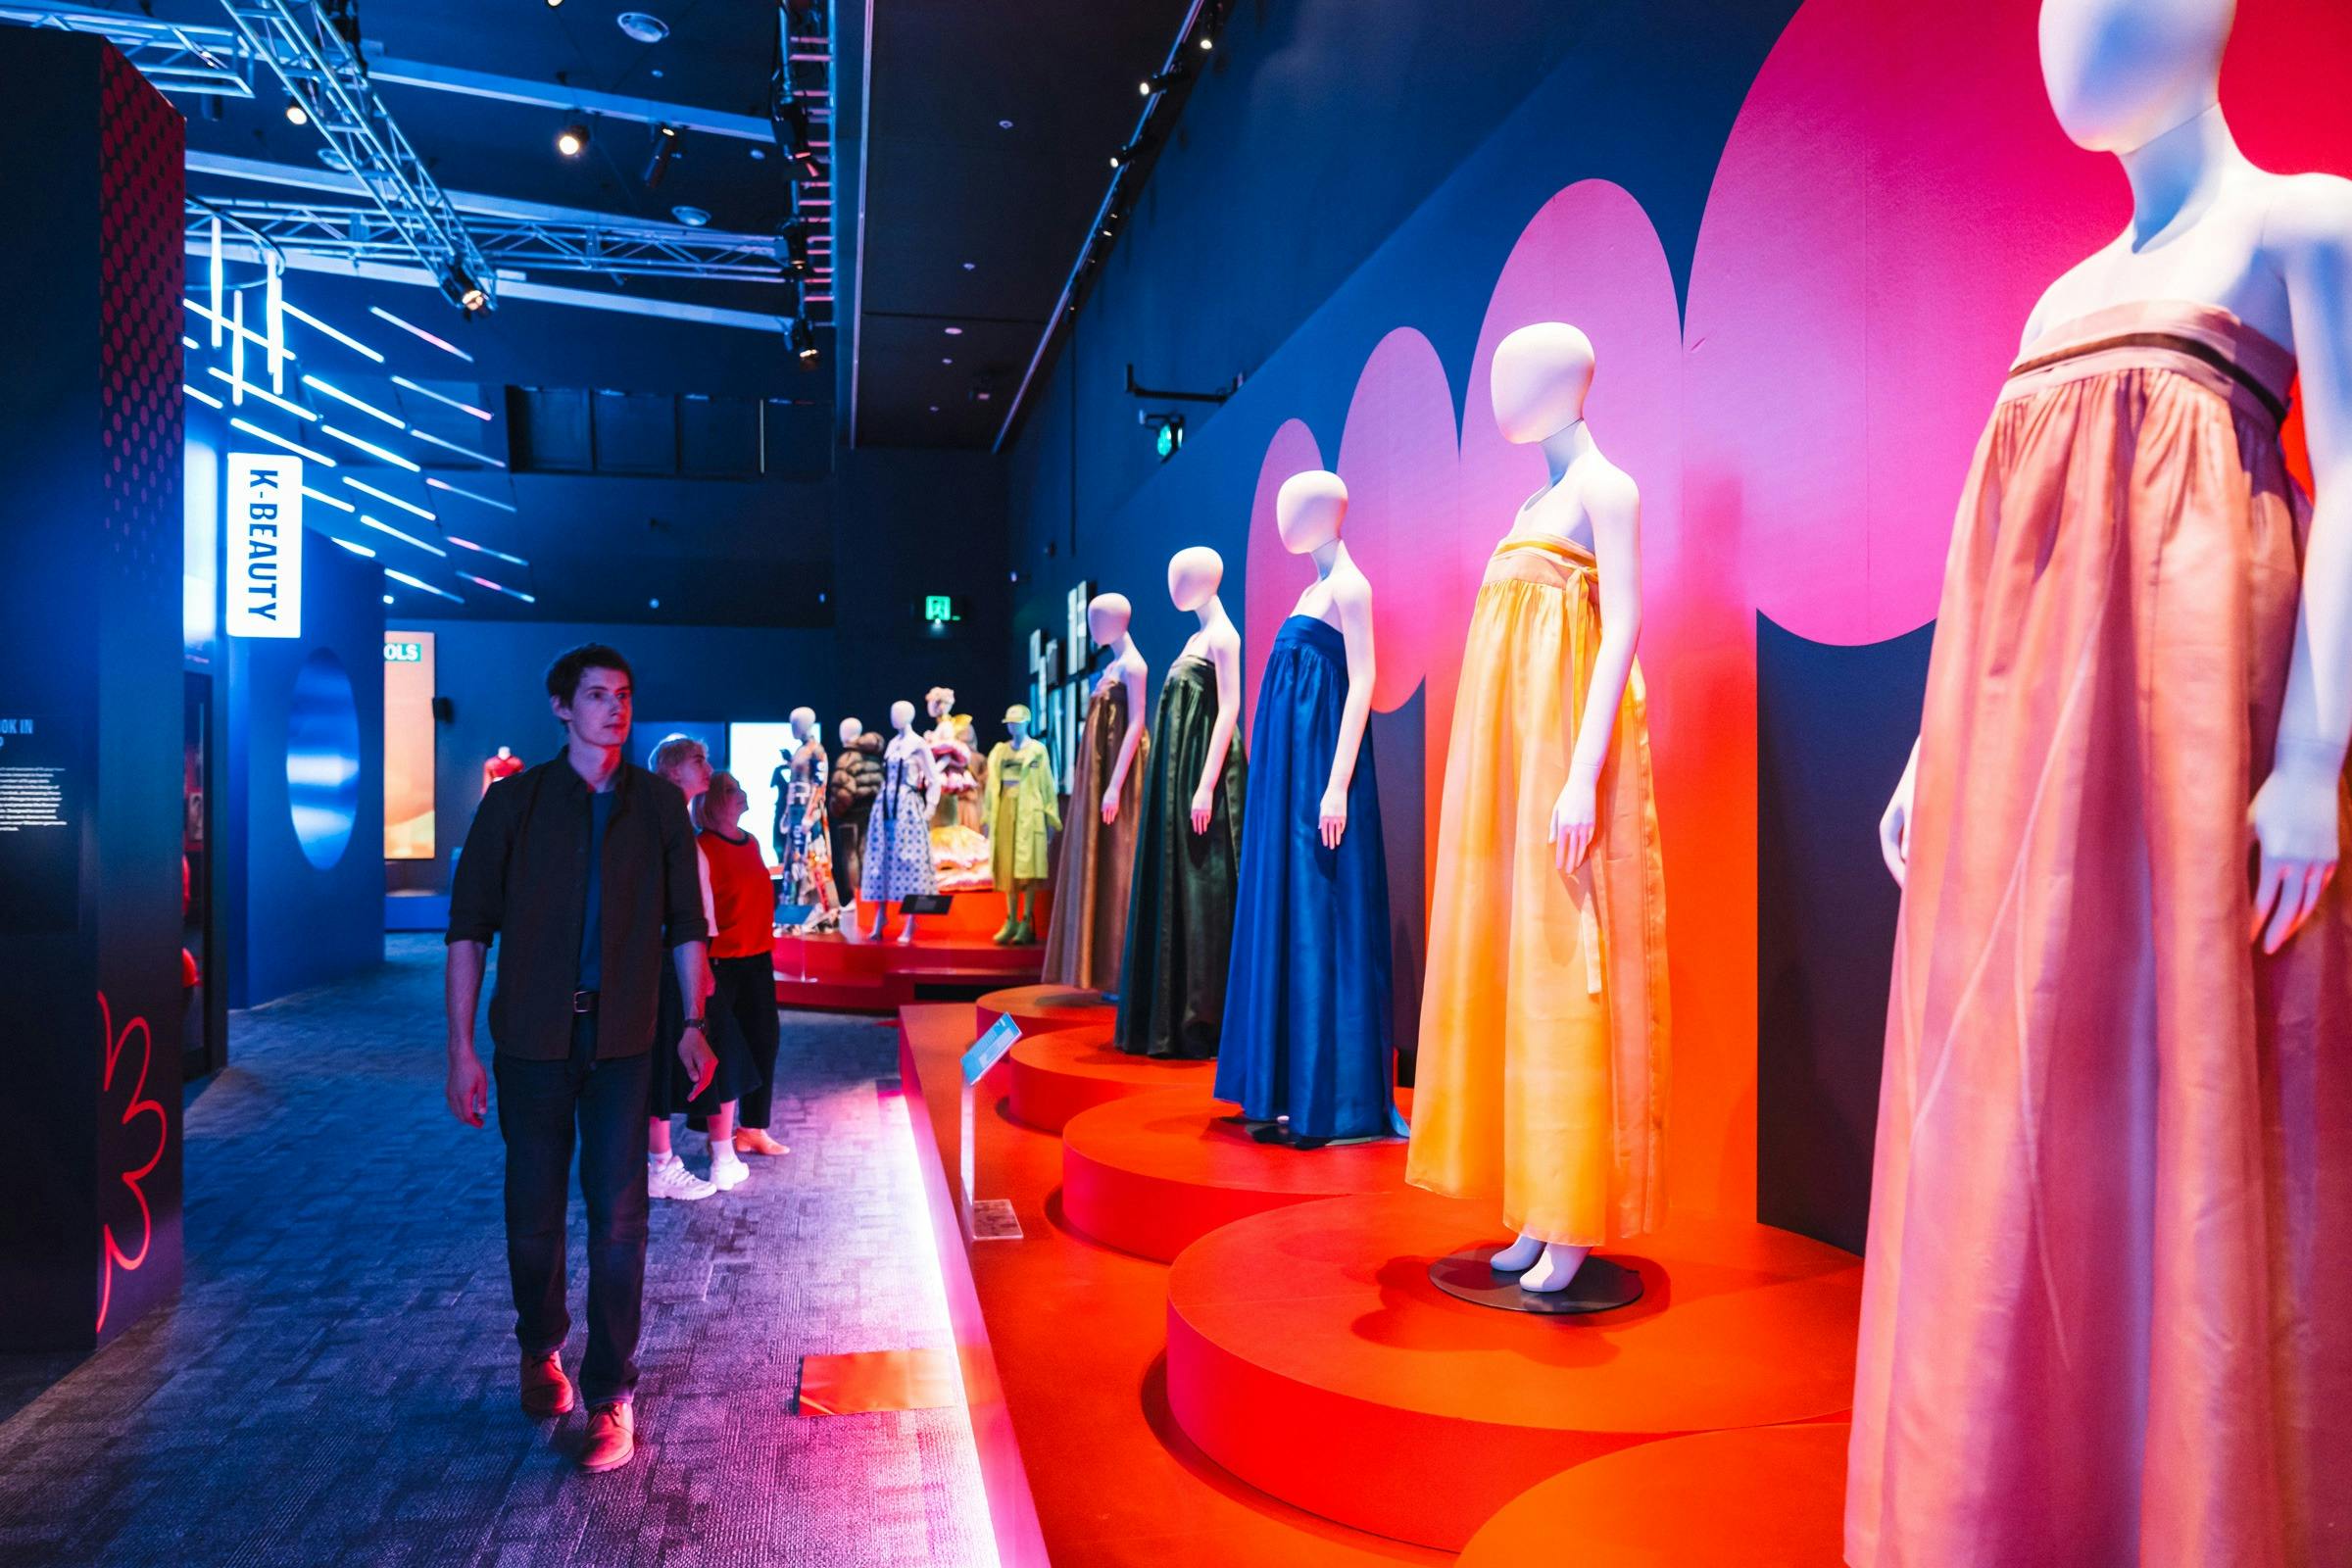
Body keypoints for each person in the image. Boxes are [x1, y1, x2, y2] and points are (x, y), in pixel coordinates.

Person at [445, 643, 715, 1475]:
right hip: (530, 1041)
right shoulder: (514, 804)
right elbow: (468, 931)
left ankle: (611, 1394)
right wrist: (460, 1048)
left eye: (624, 694)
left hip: (624, 1041)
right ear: (562, 707)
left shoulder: (659, 807)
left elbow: (686, 924)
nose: (615, 708)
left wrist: (694, 1020)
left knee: (621, 1220)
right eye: (597, 695)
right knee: (532, 1213)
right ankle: (540, 1347)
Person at [646, 734, 760, 1199]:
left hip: (687, 952)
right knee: (676, 1054)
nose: (707, 768)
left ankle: (717, 1156)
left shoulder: (671, 822)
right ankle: (666, 1161)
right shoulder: (659, 823)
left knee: (714, 1051)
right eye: (698, 760)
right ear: (673, 769)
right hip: (672, 954)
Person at [698, 771, 788, 1159]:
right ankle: (715, 1136)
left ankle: (753, 1128)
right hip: (721, 963)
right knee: (721, 1050)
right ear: (713, 801)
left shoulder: (751, 841)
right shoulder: (702, 847)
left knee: (764, 1041)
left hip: (757, 958)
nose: (742, 793)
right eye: (731, 790)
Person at [828, 718, 882, 905]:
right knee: (867, 854)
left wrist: (835, 810)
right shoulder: (873, 757)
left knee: (851, 856)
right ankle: (868, 898)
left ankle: (855, 899)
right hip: (871, 815)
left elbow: (842, 793)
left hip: (851, 815)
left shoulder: (847, 759)